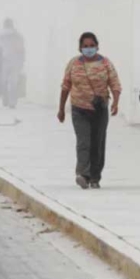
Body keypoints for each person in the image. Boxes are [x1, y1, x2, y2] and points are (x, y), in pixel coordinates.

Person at [57, 32, 122, 190]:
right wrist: (61, 109)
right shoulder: (73, 64)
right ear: (80, 48)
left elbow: (115, 84)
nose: (89, 49)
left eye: (91, 45)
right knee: (83, 142)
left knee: (97, 143)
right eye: (85, 46)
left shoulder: (106, 63)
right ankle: (83, 174)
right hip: (79, 109)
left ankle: (95, 177)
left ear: (97, 46)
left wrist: (115, 103)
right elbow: (66, 86)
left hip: (100, 109)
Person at [0, 18, 26, 109]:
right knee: (5, 82)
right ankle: (7, 100)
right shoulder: (1, 36)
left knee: (12, 83)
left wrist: (21, 61)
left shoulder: (17, 36)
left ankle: (11, 102)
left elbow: (21, 49)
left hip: (13, 62)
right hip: (5, 62)